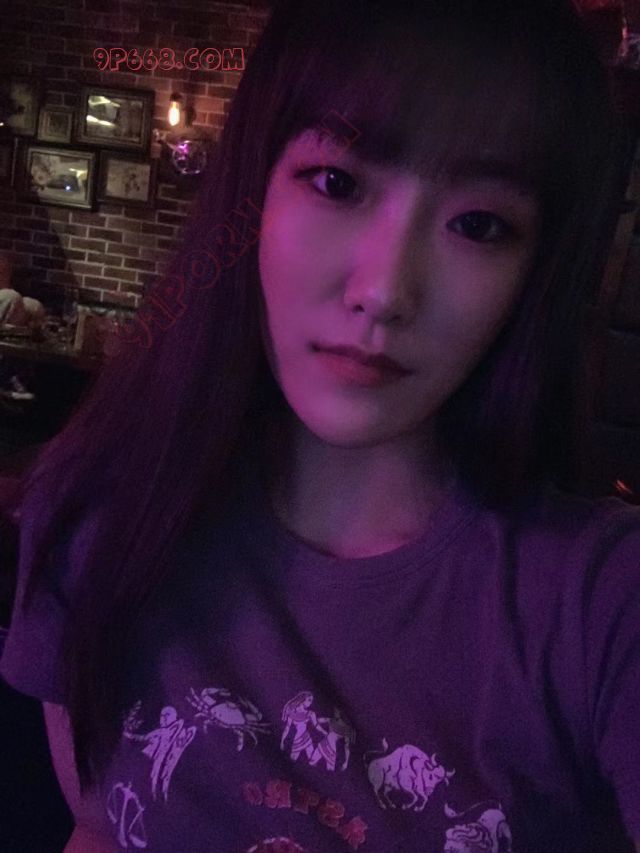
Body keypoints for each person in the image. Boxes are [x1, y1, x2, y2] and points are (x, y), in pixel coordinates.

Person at [1, 1, 639, 851]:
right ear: (254, 190)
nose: (384, 290)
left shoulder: (598, 604)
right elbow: (102, 826)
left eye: (478, 224)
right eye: (337, 183)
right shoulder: (100, 514)